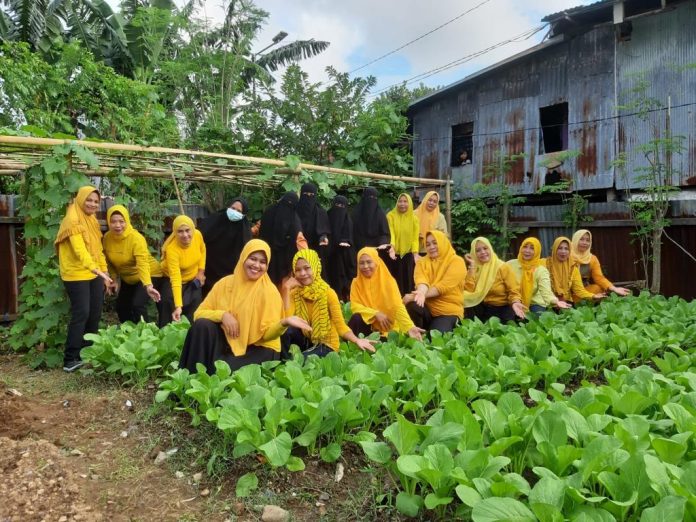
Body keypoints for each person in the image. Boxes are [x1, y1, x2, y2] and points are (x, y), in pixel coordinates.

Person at [179, 240, 311, 374]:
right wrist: (223, 315)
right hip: (230, 340)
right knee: (202, 325)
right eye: (253, 259)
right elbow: (198, 314)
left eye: (262, 262)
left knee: (221, 371)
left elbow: (267, 335)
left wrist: (284, 323)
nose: (257, 265)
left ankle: (212, 367)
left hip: (260, 348)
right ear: (243, 257)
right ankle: (191, 376)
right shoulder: (225, 284)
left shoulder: (269, 291)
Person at [55, 186, 112, 372]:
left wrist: (104, 273)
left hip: (94, 272)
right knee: (82, 313)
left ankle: (88, 354)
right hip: (75, 273)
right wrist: (96, 269)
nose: (92, 204)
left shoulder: (92, 220)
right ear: (80, 199)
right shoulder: (72, 219)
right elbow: (80, 250)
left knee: (95, 313)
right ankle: (70, 359)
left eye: (96, 201)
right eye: (89, 200)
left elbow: (98, 249)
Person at [281, 249, 377, 358]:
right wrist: (286, 289)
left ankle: (291, 361)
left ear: (316, 267)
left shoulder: (328, 293)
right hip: (307, 340)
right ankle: (286, 362)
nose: (303, 273)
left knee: (302, 361)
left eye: (307, 268)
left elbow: (340, 326)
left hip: (327, 344)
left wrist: (357, 340)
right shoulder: (295, 293)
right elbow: (287, 320)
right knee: (284, 330)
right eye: (298, 270)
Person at [103, 204, 162, 323]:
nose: (117, 225)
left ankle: (146, 335)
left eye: (121, 221)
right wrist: (113, 278)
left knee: (137, 305)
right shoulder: (107, 238)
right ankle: (130, 335)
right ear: (109, 222)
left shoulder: (136, 238)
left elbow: (142, 264)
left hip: (149, 274)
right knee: (121, 307)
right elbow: (108, 260)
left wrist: (148, 286)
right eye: (113, 221)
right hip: (129, 278)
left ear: (127, 221)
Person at [348, 247, 424, 340]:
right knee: (356, 318)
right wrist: (375, 314)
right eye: (362, 263)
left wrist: (409, 327)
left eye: (369, 262)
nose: (365, 266)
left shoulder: (388, 281)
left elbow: (397, 306)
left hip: (387, 328)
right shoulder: (356, 283)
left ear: (376, 262)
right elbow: (355, 306)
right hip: (368, 326)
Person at [403, 230, 466, 334]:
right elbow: (422, 281)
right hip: (428, 308)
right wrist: (420, 293)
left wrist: (413, 296)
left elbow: (442, 287)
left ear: (443, 242)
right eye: (427, 244)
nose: (431, 247)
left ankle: (435, 329)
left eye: (435, 243)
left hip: (448, 311)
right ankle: (417, 333)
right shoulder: (422, 262)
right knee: (413, 306)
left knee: (435, 338)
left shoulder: (457, 261)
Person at [198, 197, 252, 297]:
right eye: (233, 208)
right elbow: (199, 238)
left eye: (239, 211)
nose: (234, 212)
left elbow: (246, 251)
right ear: (228, 207)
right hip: (209, 268)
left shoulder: (244, 230)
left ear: (243, 214)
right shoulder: (214, 220)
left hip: (229, 273)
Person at [463, 237, 526, 322]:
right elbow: (468, 290)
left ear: (490, 249)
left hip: (503, 307)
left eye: (485, 248)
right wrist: (472, 266)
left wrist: (515, 302)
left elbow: (513, 289)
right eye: (478, 250)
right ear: (474, 253)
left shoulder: (502, 267)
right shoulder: (475, 268)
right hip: (484, 307)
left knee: (504, 331)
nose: (483, 252)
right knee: (467, 302)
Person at [159, 215, 206, 326]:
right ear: (175, 232)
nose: (185, 235)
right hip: (171, 278)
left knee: (195, 301)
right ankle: (165, 335)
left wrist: (201, 272)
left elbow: (203, 250)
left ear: (192, 229)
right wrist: (178, 306)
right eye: (180, 231)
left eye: (187, 230)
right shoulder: (172, 250)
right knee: (168, 301)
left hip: (192, 278)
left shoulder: (197, 235)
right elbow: (175, 278)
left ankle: (191, 335)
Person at [506, 237, 571, 314]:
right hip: (513, 299)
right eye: (525, 247)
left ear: (537, 251)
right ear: (521, 248)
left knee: (537, 319)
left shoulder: (541, 270)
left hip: (534, 301)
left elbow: (546, 291)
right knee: (510, 320)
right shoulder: (509, 265)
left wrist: (556, 301)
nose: (527, 251)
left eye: (532, 248)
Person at [258, 192, 308, 285]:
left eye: (290, 205)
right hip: (269, 256)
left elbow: (299, 240)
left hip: (282, 259)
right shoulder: (291, 217)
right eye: (286, 203)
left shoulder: (270, 212)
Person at [571, 229, 630, 299]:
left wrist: (614, 288)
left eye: (587, 240)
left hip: (584, 291)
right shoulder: (566, 256)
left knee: (598, 289)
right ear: (575, 240)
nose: (585, 243)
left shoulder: (592, 259)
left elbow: (599, 278)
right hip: (568, 292)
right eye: (581, 239)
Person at [545, 236, 605, 304]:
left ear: (570, 251)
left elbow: (579, 290)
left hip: (566, 302)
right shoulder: (544, 264)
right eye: (560, 248)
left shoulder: (573, 268)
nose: (563, 251)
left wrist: (593, 296)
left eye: (566, 249)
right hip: (547, 302)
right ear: (554, 249)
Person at [386, 193, 420, 295]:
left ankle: (407, 304)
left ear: (409, 203)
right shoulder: (390, 216)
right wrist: (392, 247)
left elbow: (415, 238)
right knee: (394, 280)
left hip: (408, 254)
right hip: (393, 254)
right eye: (400, 201)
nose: (402, 204)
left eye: (405, 201)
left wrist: (415, 253)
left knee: (408, 279)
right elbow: (391, 233)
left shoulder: (414, 219)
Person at [325, 195, 355, 301]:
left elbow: (350, 237)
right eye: (337, 205)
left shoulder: (348, 220)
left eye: (342, 206)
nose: (339, 208)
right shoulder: (327, 216)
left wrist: (346, 241)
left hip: (344, 257)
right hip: (329, 256)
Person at [296, 183, 331, 268]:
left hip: (315, 247)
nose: (308, 197)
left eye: (311, 195)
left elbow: (324, 230)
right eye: (306, 194)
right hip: (296, 247)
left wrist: (323, 237)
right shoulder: (295, 210)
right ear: (301, 194)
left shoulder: (321, 212)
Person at [352, 187, 390, 253]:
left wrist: (383, 242)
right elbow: (351, 232)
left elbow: (384, 233)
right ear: (364, 197)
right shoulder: (355, 213)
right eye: (370, 197)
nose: (371, 200)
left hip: (376, 250)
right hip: (357, 249)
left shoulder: (380, 215)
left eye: (374, 198)